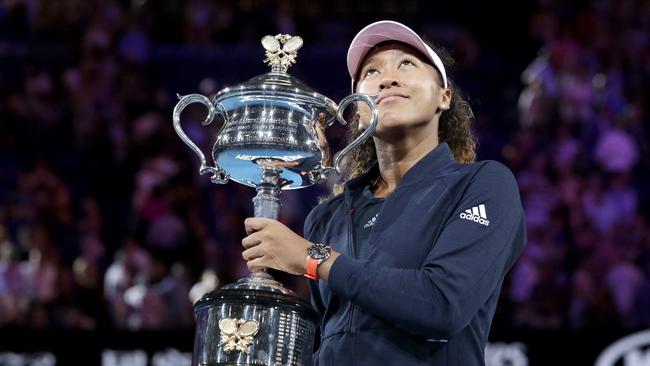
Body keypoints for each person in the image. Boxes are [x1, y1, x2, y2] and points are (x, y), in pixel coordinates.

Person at [241, 20, 527, 365]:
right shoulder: (326, 217)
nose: (388, 77)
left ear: (444, 96)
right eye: (372, 71)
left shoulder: (483, 184)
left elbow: (442, 305)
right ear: (358, 111)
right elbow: (334, 339)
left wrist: (314, 259)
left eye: (406, 64)